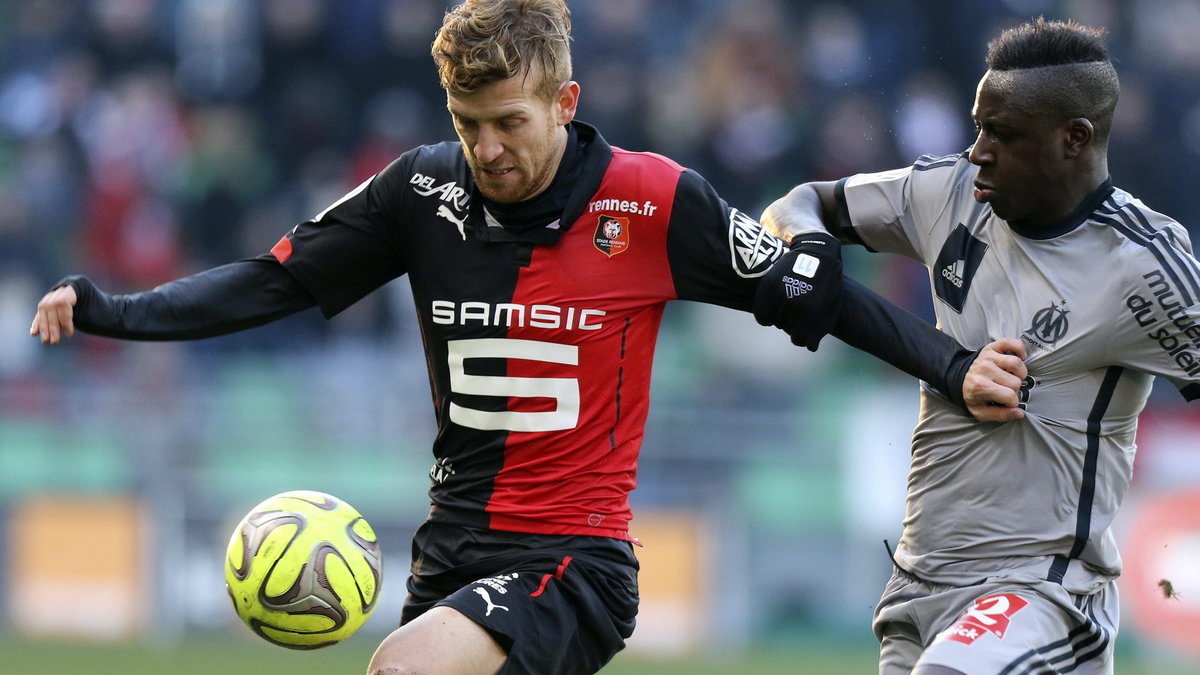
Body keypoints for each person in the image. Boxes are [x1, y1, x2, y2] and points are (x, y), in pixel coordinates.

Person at [29, 1, 1022, 673]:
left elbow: (818, 297)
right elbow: (271, 284)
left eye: (508, 121)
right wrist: (115, 310)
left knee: (403, 667)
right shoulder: (416, 192)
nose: (487, 149)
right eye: (468, 123)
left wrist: (955, 364)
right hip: (447, 558)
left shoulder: (658, 201)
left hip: (573, 564)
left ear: (565, 103)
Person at [757, 16, 1200, 675]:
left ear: (1072, 140)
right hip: (919, 583)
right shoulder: (951, 194)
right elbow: (796, 205)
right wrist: (814, 243)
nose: (976, 151)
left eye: (1003, 134)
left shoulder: (1141, 264)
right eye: (978, 125)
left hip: (1042, 588)